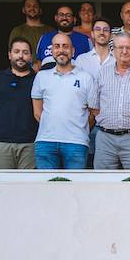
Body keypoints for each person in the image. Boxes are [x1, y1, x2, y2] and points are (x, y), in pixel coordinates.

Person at [88, 34, 130, 170]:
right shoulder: (102, 74)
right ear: (113, 50)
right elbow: (94, 108)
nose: (124, 51)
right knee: (103, 183)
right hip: (105, 139)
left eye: (128, 48)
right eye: (120, 47)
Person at [31, 33, 94, 169]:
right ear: (52, 51)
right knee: (46, 188)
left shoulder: (86, 78)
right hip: (46, 142)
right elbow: (37, 112)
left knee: (74, 188)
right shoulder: (41, 77)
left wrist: (79, 128)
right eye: (57, 46)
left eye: (65, 46)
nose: (61, 50)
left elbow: (93, 113)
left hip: (76, 142)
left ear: (73, 51)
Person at [0, 37, 38, 169]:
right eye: (16, 51)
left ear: (31, 56)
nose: (21, 56)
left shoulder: (38, 80)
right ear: (10, 54)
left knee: (28, 188)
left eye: (25, 52)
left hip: (30, 145)